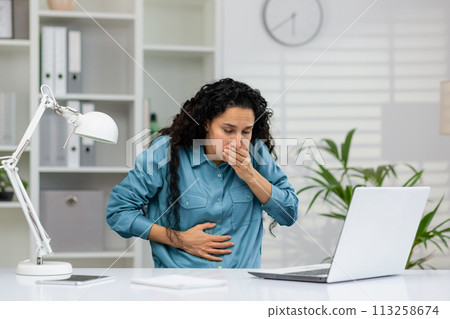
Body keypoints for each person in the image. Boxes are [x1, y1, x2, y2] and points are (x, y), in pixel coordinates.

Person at [106, 78, 299, 268]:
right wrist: (179, 239)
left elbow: (288, 214)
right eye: (228, 130)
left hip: (242, 288)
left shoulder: (256, 154)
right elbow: (119, 213)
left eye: (246, 131)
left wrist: (250, 175)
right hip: (180, 287)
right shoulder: (165, 152)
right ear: (207, 124)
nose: (238, 141)